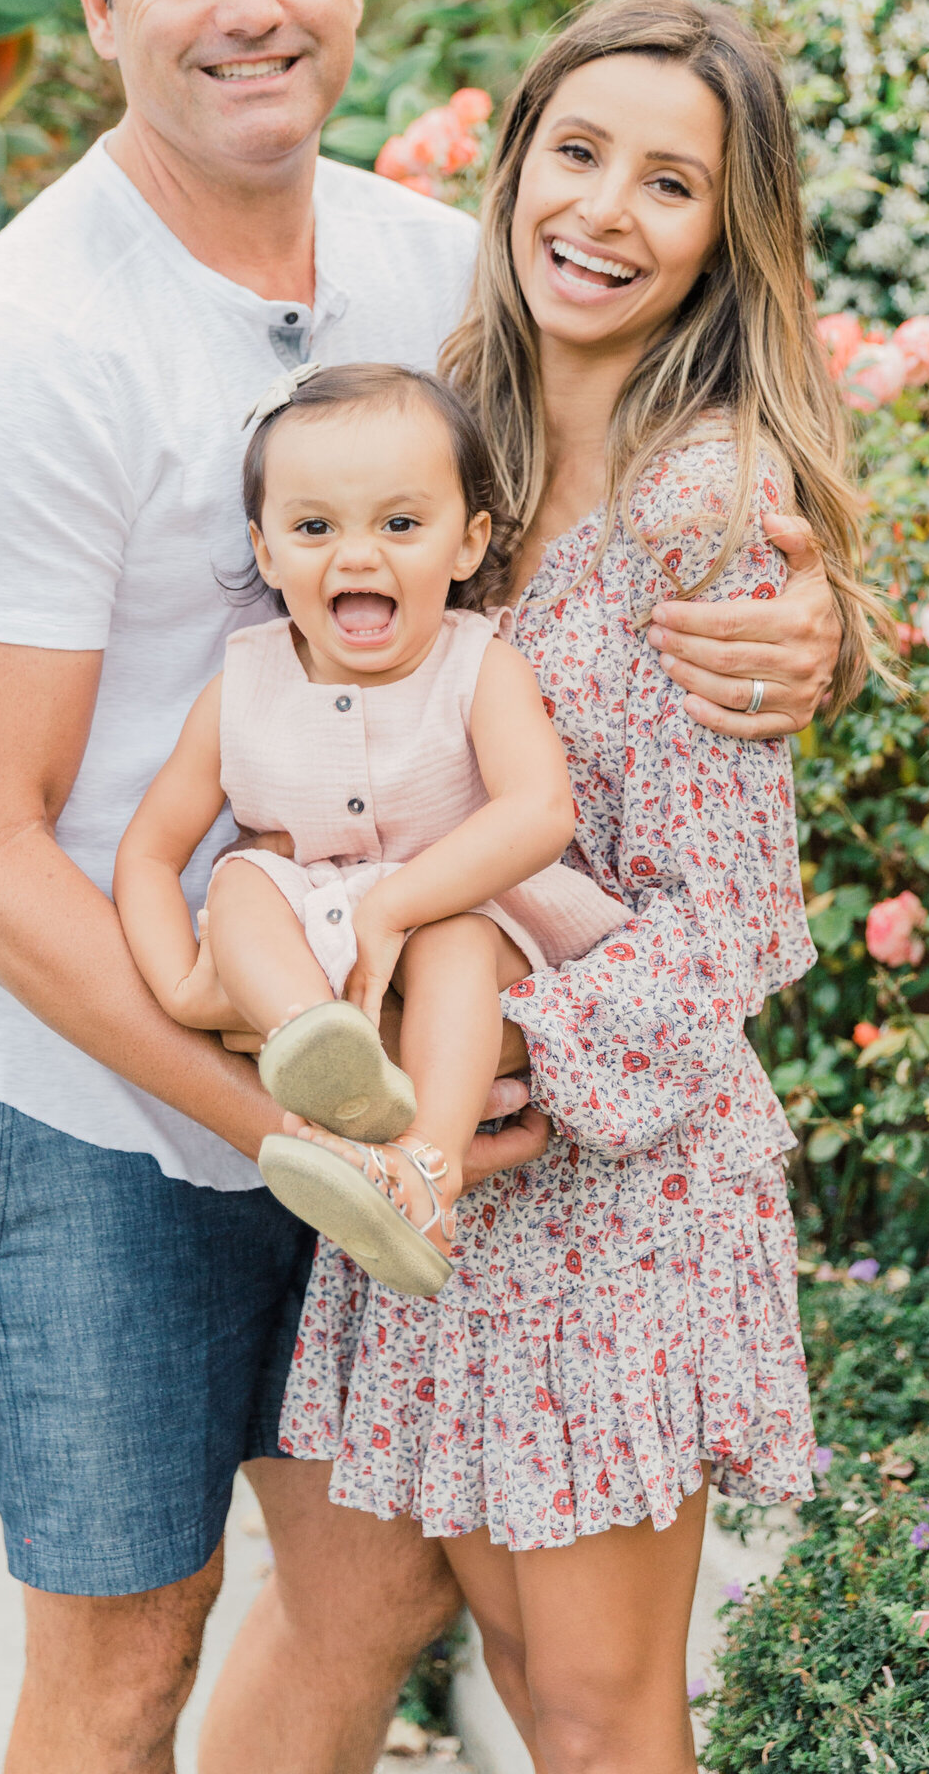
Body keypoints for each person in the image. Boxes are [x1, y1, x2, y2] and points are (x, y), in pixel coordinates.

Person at [0, 0, 843, 1774]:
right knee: (127, 1658)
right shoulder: (19, 354)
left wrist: (800, 614)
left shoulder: (429, 282)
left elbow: (629, 499)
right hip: (79, 1094)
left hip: (402, 1072)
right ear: (101, 5)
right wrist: (266, 1098)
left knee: (376, 1595)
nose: (249, 3)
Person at [277, 0, 889, 1774]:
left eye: (671, 183)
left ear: (725, 237)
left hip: (610, 1178)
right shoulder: (451, 450)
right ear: (518, 164)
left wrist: (507, 1063)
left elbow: (735, 922)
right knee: (533, 1690)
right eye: (580, 153)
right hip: (443, 1177)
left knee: (612, 1710)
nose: (606, 211)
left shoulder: (703, 505)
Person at [115, 362, 624, 1296]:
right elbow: (150, 852)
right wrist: (184, 990)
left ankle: (427, 1171)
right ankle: (318, 1048)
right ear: (266, 552)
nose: (356, 556)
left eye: (400, 524)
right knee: (240, 883)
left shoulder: (479, 664)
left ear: (468, 544)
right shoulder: (242, 692)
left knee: (455, 936)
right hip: (314, 938)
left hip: (468, 913)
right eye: (314, 528)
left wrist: (397, 903)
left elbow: (539, 811)